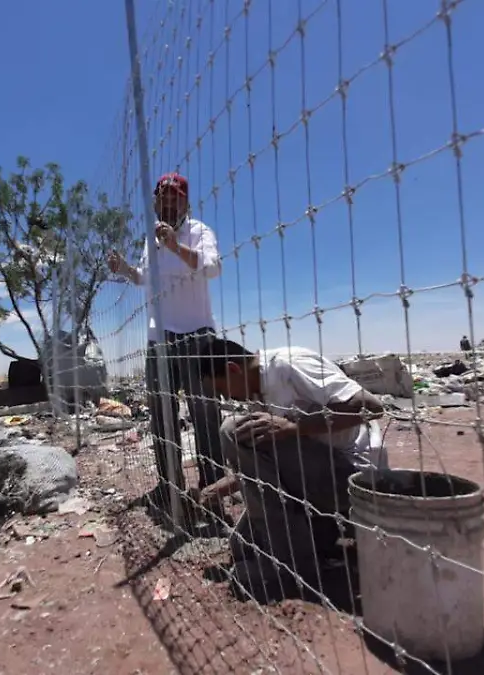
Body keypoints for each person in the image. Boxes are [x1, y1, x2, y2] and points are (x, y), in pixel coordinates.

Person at [189, 335, 387, 594]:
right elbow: (265, 466)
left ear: (232, 369)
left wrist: (294, 427)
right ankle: (320, 541)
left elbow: (371, 406)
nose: (228, 397)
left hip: (354, 480)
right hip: (318, 482)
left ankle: (292, 567)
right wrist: (217, 490)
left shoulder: (288, 365)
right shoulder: (258, 393)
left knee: (232, 429)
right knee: (242, 546)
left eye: (224, 390)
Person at [108, 172, 226, 518]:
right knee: (161, 415)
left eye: (176, 199)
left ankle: (213, 486)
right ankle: (169, 485)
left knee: (205, 413)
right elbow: (146, 278)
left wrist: (177, 246)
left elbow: (212, 268)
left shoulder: (200, 231)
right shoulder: (151, 239)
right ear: (156, 203)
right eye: (164, 199)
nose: (169, 204)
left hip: (198, 334)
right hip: (159, 337)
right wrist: (126, 269)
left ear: (186, 203)